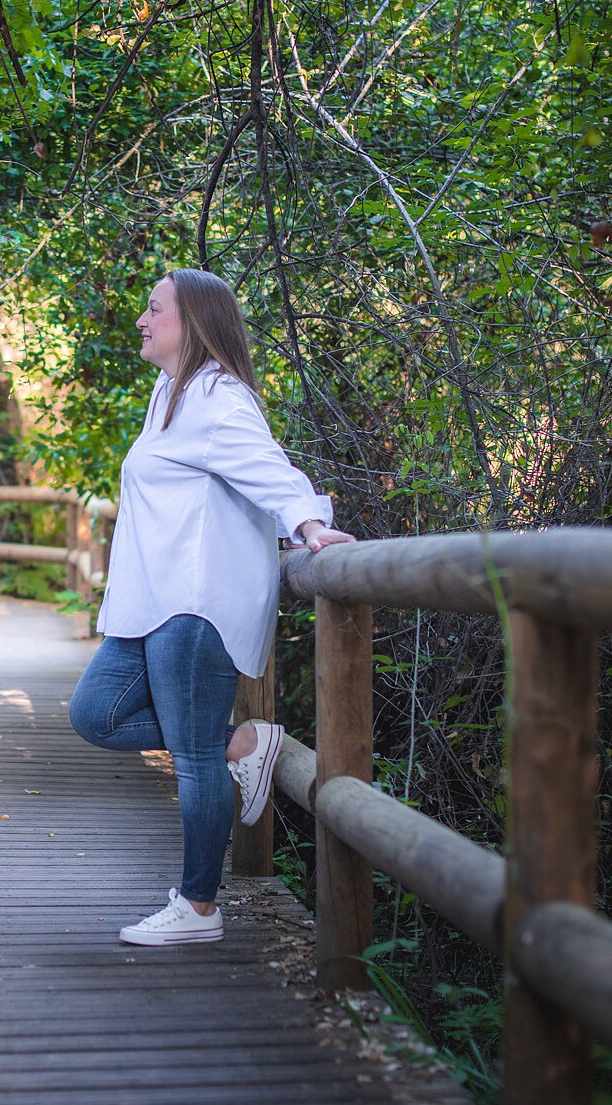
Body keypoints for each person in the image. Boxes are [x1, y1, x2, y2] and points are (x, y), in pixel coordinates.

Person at [69, 268, 354, 946]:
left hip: (195, 603)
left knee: (194, 760)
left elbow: (271, 470)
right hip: (153, 602)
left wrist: (310, 526)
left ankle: (198, 906)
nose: (141, 319)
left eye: (153, 307)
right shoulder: (170, 392)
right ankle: (246, 742)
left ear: (193, 321)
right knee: (96, 713)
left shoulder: (219, 397)